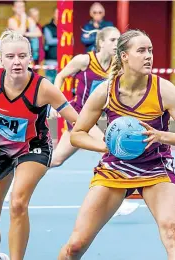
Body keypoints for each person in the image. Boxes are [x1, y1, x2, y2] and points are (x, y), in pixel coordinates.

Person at [58, 29, 175, 260]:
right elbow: (77, 135)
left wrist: (161, 136)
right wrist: (106, 147)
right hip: (115, 168)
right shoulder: (105, 91)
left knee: (173, 232)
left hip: (156, 168)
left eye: (151, 50)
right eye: (141, 51)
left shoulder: (164, 90)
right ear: (124, 56)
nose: (149, 56)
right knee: (75, 246)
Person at [0, 30, 78, 260]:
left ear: (31, 58)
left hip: (34, 148)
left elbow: (77, 120)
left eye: (22, 56)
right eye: (10, 56)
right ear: (1, 60)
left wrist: (103, 140)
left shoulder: (44, 88)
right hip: (0, 147)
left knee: (18, 202)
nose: (17, 61)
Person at [50, 26, 140, 217]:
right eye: (113, 40)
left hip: (96, 119)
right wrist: (55, 103)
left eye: (119, 40)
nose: (117, 44)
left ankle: (18, 172)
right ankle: (115, 199)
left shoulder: (116, 66)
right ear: (101, 43)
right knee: (109, 148)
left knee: (56, 159)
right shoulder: (84, 60)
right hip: (78, 114)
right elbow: (60, 76)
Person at [43, 8, 58, 83]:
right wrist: (63, 40)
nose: (58, 15)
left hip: (62, 60)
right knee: (49, 83)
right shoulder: (47, 27)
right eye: (57, 13)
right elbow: (50, 41)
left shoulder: (66, 28)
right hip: (50, 60)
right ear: (53, 14)